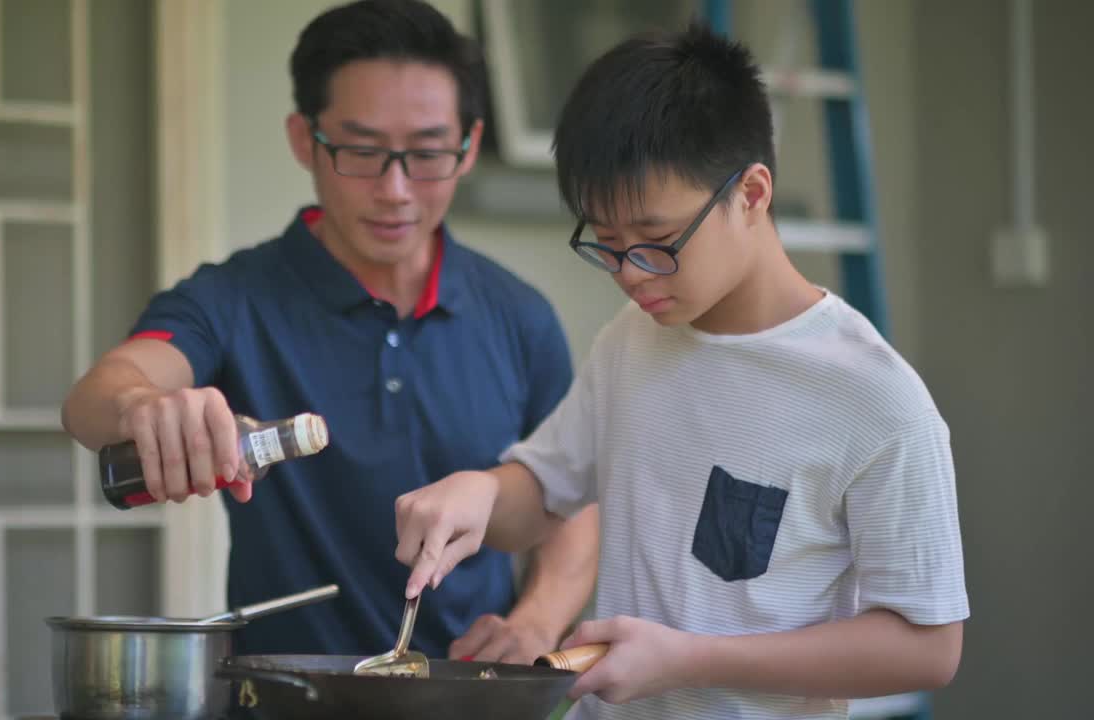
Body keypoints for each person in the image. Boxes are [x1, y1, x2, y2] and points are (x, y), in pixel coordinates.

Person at [393, 22, 968, 720]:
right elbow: (545, 493)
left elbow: (927, 646)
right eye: (607, 243)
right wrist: (480, 493)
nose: (631, 275)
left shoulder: (876, 401)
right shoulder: (633, 342)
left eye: (659, 242)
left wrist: (690, 659)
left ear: (751, 195)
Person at [61, 0, 597, 665]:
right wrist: (143, 408)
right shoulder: (233, 299)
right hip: (283, 702)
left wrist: (538, 623)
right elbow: (95, 398)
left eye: (428, 154)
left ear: (469, 146)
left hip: (468, 699)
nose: (396, 189)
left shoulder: (520, 317)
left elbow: (572, 498)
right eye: (363, 151)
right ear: (303, 139)